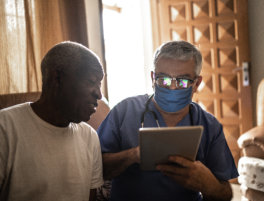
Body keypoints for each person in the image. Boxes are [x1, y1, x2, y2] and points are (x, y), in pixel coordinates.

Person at [98, 40, 239, 201]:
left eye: (183, 81)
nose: (172, 88)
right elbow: (97, 169)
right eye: (163, 80)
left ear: (196, 84)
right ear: (152, 78)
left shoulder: (209, 125)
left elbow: (226, 193)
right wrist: (134, 155)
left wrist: (208, 184)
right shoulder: (124, 112)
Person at [0, 41, 104, 201]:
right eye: (91, 82)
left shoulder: (89, 137)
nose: (99, 94)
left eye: (100, 85)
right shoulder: (5, 128)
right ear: (57, 78)